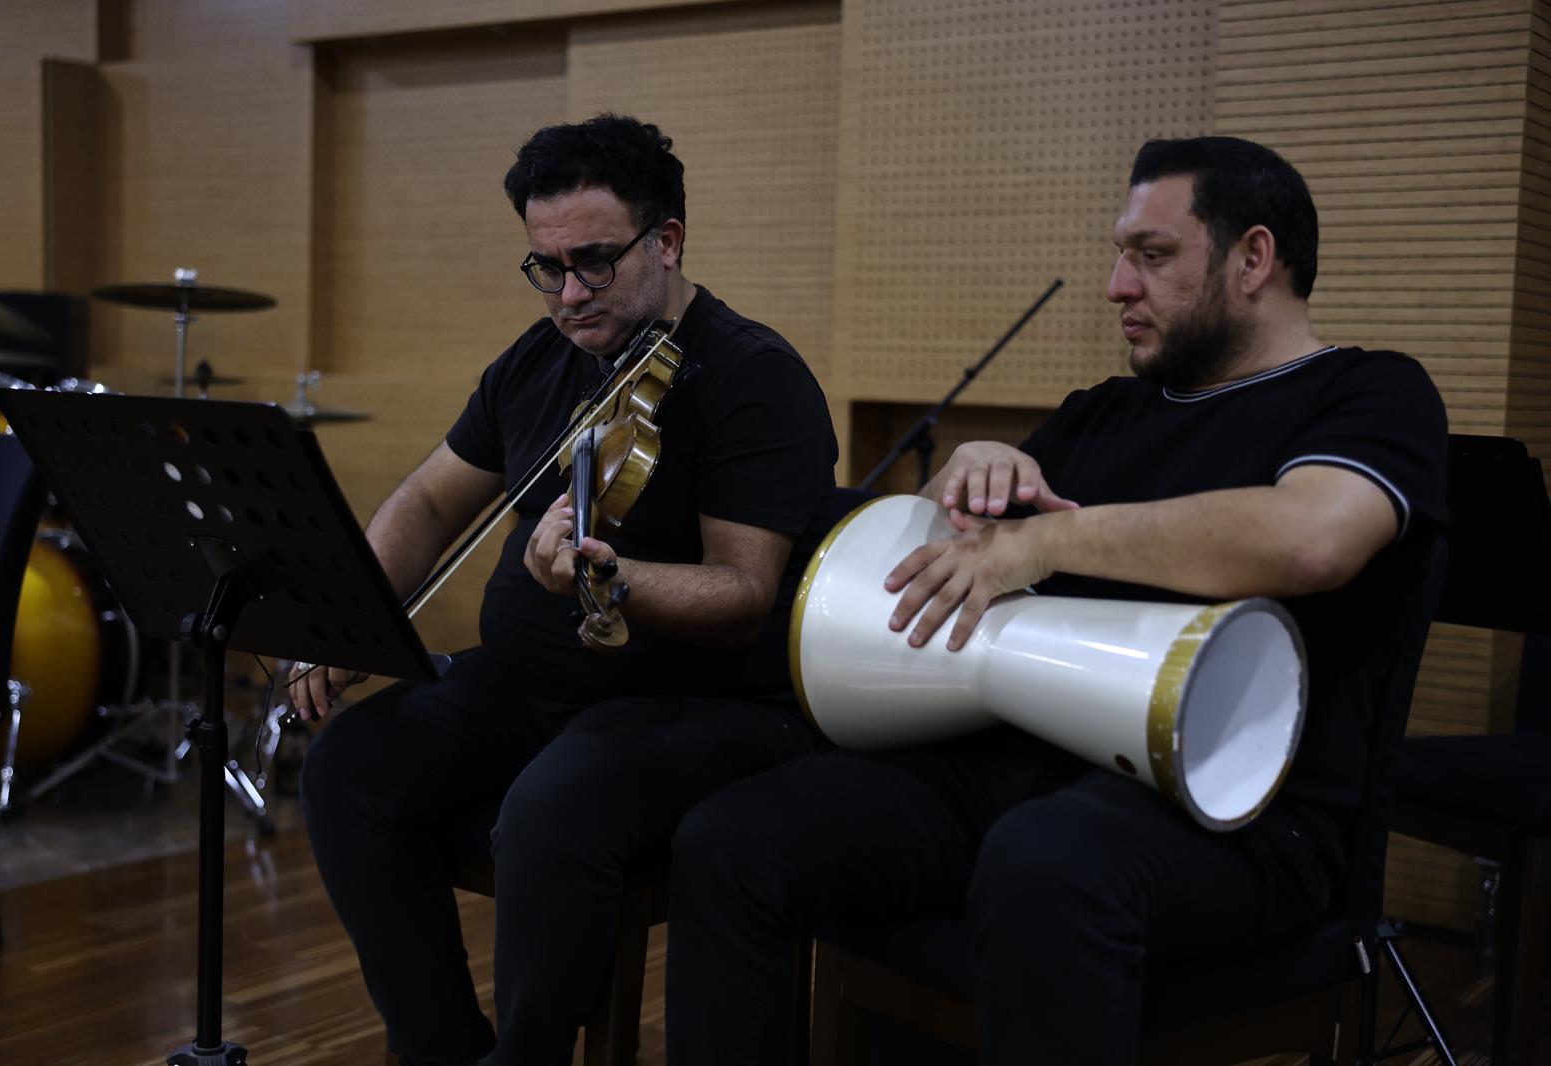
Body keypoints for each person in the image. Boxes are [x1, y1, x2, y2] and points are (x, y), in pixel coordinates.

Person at [665, 136, 1449, 1064]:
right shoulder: (1102, 412)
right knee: (732, 839)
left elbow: (1310, 538)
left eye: (1152, 255)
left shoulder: (1373, 392)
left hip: (1243, 807)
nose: (1119, 285)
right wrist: (961, 484)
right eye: (1122, 254)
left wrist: (1045, 539)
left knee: (1048, 862)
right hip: (1021, 770)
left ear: (1254, 259)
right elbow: (911, 579)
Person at [294, 114, 836, 1066]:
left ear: (666, 241)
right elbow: (427, 499)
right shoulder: (542, 359)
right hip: (526, 688)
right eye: (546, 267)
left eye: (594, 262)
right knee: (350, 765)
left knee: (551, 810)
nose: (570, 295)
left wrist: (615, 581)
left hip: (694, 704)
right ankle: (441, 1048)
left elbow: (744, 592)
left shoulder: (754, 377)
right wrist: (348, 618)